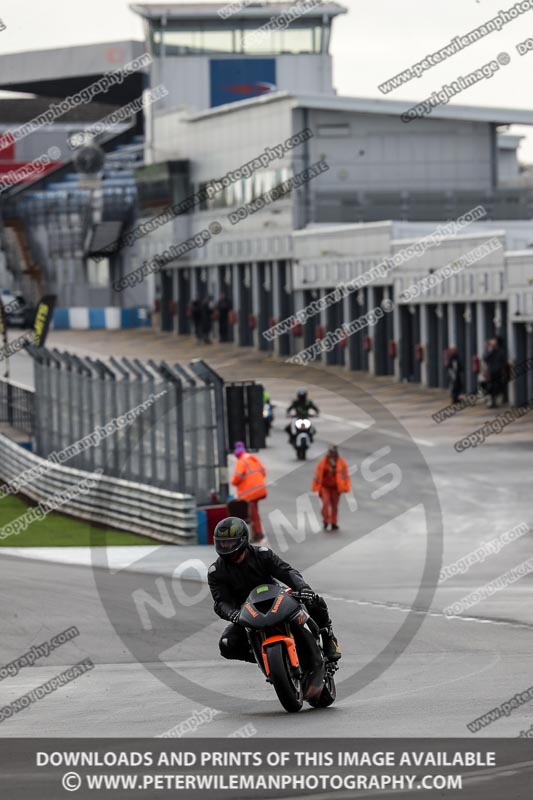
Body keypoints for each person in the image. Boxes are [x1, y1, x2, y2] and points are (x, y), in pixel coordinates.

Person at [208, 517, 342, 663]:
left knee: (314, 600)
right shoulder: (216, 572)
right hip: (246, 614)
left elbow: (287, 572)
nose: (226, 546)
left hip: (275, 600)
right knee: (227, 644)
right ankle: (262, 658)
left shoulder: (262, 554)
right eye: (222, 542)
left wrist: (303, 587)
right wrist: (232, 613)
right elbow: (220, 602)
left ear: (243, 539)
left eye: (230, 542)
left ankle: (328, 638)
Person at [230, 441, 267, 542]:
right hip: (259, 489)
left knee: (252, 513)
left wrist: (233, 482)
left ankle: (258, 534)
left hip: (250, 492)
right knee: (254, 511)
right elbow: (263, 472)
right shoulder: (253, 458)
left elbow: (237, 477)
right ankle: (257, 533)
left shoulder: (241, 461)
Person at [312, 445, 351, 531]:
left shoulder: (341, 463)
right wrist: (315, 486)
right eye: (330, 452)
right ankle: (326, 521)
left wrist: (346, 487)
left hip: (336, 488)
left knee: (334, 506)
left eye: (333, 452)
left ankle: (334, 523)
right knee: (325, 504)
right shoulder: (323, 462)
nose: (331, 454)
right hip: (325, 487)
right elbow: (317, 475)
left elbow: (345, 476)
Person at [483, 338, 507, 408]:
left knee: (497, 387)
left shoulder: (500, 352)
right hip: (490, 373)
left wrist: (503, 371)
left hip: (498, 373)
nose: (494, 346)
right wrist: (491, 351)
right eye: (492, 345)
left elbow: (503, 362)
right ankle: (491, 402)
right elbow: (485, 359)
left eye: (495, 344)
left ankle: (495, 402)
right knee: (490, 387)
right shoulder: (488, 351)